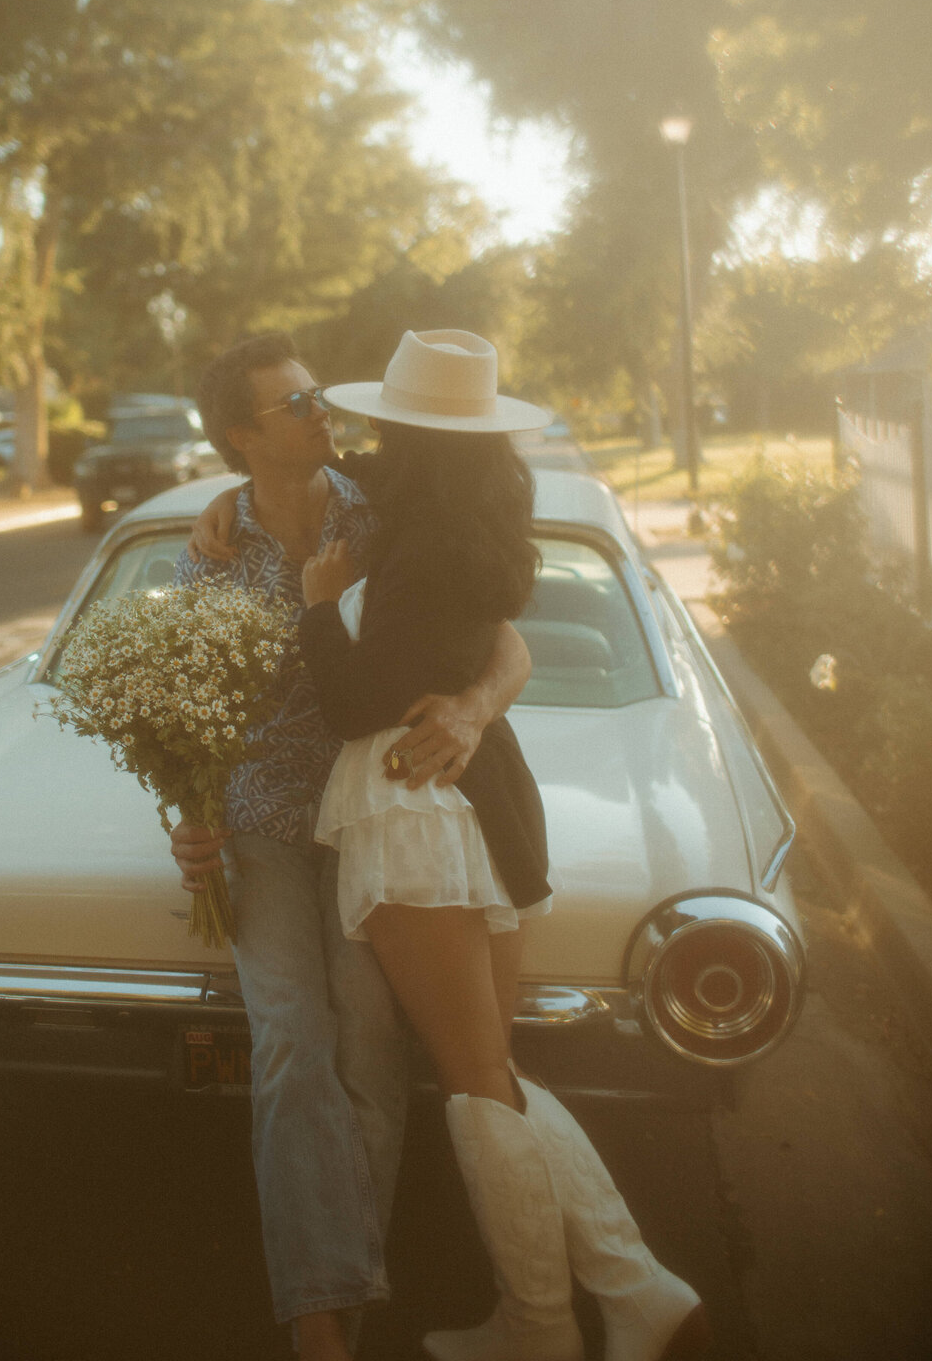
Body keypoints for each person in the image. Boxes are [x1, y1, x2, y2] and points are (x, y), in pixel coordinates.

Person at [296, 329, 711, 1361]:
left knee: (478, 1080)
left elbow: (355, 704)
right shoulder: (475, 521)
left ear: (408, 434)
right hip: (486, 803)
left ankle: (543, 1326)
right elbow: (494, 640)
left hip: (416, 808)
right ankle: (632, 1292)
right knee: (495, 1073)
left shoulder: (422, 549)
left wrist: (314, 608)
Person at [169, 331, 533, 1361]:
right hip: (262, 819)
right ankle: (318, 1322)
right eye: (293, 405)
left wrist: (469, 707)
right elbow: (194, 713)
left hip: (372, 807)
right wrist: (186, 816)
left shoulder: (386, 513)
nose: (320, 412)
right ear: (242, 437)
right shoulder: (212, 550)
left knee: (371, 1047)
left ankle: (343, 1292)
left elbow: (501, 631)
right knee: (292, 1038)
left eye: (318, 395)